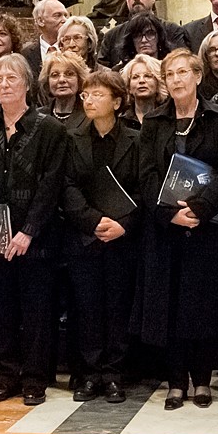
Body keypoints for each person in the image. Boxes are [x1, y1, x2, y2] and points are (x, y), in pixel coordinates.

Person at [132, 49, 218, 410]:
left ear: (197, 76)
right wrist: (169, 214)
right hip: (166, 230)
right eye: (170, 74)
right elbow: (146, 174)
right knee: (170, 305)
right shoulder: (154, 121)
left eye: (183, 72)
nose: (176, 79)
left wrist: (200, 208)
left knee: (204, 305)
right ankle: (176, 382)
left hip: (208, 227)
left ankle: (203, 380)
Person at [0, 54, 69, 406]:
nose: (4, 84)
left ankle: (34, 379)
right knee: (2, 310)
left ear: (27, 84)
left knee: (37, 311)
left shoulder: (50, 129)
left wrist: (28, 231)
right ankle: (6, 376)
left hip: (36, 237)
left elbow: (51, 185)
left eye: (12, 78)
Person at [61, 69, 142, 403]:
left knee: (118, 306)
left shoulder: (136, 139)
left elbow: (143, 188)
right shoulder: (72, 137)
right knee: (87, 307)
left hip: (122, 237)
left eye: (97, 94)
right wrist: (92, 221)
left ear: (117, 102)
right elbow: (66, 185)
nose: (89, 100)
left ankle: (113, 375)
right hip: (85, 236)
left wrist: (124, 224)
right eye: (86, 95)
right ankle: (90, 373)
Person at [98, 0, 189, 69]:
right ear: (126, 0)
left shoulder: (173, 30)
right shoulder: (112, 36)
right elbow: (101, 71)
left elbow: (183, 64)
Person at [39, 50, 88, 131]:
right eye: (55, 75)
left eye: (69, 74)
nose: (61, 80)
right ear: (47, 81)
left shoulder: (90, 115)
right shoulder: (38, 117)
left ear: (79, 79)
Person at [24, 0, 69, 75]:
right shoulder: (25, 53)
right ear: (40, 21)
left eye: (66, 15)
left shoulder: (72, 49)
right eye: (57, 15)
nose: (65, 20)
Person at [122, 54, 166, 128]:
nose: (141, 81)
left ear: (158, 83)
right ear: (128, 87)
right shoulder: (121, 120)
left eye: (147, 76)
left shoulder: (169, 117)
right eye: (135, 77)